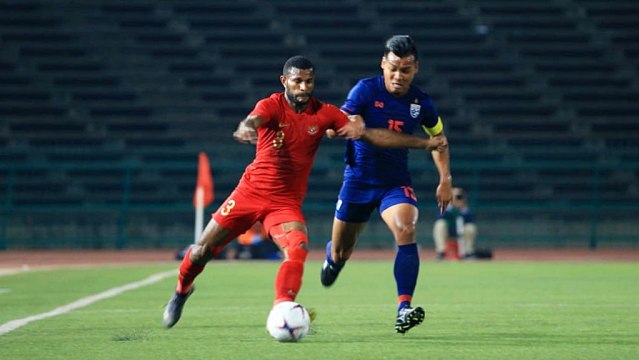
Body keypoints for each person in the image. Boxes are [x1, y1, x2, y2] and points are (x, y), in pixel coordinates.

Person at [162, 55, 446, 329]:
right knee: (201, 251)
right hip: (249, 194)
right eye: (297, 81)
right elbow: (254, 120)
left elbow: (363, 133)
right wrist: (245, 127)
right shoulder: (271, 105)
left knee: (297, 250)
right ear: (284, 80)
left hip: (285, 203)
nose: (304, 87)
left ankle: (283, 307)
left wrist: (359, 128)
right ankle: (181, 291)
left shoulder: (325, 114)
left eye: (309, 81)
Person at [320, 35, 453, 334]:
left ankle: (403, 307)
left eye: (405, 70)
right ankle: (333, 258)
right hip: (357, 181)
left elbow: (440, 142)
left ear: (415, 69)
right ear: (383, 64)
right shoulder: (365, 90)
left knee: (406, 227)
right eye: (392, 68)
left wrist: (445, 179)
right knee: (342, 251)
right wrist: (342, 126)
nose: (397, 75)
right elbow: (342, 125)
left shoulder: (422, 103)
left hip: (394, 183)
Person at [433, 187, 477, 260]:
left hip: (462, 230)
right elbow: (440, 217)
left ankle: (468, 253)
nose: (457, 198)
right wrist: (449, 205)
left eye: (459, 196)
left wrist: (462, 208)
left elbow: (471, 219)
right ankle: (441, 252)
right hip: (448, 231)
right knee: (440, 224)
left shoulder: (465, 208)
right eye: (454, 196)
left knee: (470, 227)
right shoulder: (444, 206)